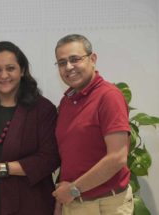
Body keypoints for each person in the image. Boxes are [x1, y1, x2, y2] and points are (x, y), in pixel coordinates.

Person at [0, 41, 60, 215]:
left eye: (10, 68)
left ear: (22, 70)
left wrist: (2, 169)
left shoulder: (43, 109)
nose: (4, 75)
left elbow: (50, 159)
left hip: (30, 206)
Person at [52, 34, 134, 215]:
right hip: (75, 202)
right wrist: (62, 201)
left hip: (106, 205)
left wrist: (73, 189)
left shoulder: (108, 96)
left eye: (75, 59)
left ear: (93, 59)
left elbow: (117, 158)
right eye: (62, 62)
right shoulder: (66, 102)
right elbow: (70, 156)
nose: (69, 67)